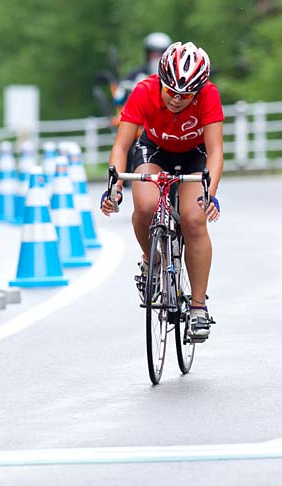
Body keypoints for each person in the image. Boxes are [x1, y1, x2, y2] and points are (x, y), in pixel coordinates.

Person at [100, 41, 223, 341]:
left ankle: (197, 308)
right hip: (153, 150)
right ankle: (151, 260)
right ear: (162, 81)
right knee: (144, 207)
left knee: (194, 220)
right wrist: (114, 186)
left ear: (198, 91)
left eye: (186, 95)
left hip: (193, 154)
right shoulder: (144, 90)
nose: (177, 100)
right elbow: (122, 145)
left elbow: (215, 151)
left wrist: (210, 192)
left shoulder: (209, 95)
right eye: (171, 92)